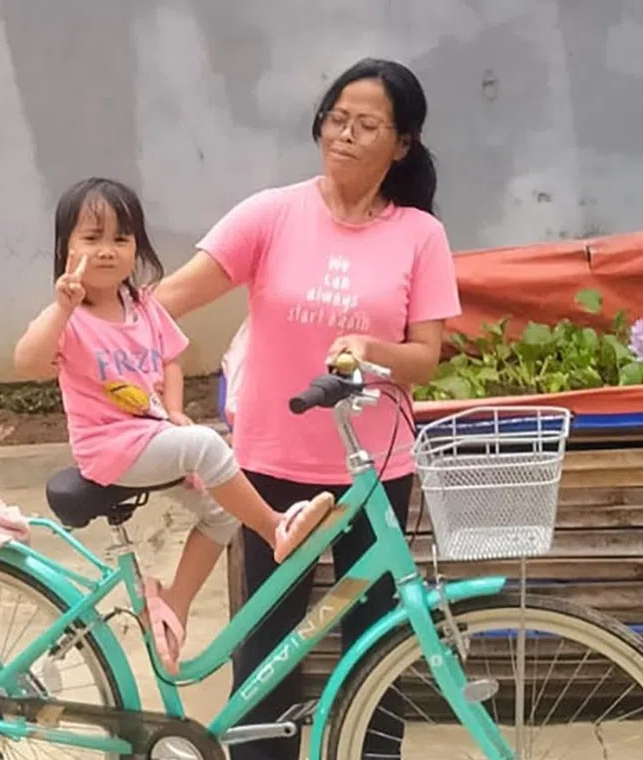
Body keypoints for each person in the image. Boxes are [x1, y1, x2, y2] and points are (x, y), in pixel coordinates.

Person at [153, 58, 462, 759]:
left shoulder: (419, 235)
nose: (345, 135)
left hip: (371, 472)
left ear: (402, 143)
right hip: (269, 464)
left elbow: (424, 357)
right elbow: (168, 302)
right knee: (267, 647)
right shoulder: (271, 214)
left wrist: (371, 347)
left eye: (367, 125)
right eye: (336, 119)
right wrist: (103, 336)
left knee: (375, 643)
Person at [12, 177, 333, 676]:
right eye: (91, 237)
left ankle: (172, 608)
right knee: (207, 446)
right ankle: (274, 528)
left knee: (222, 512)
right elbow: (27, 362)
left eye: (121, 238)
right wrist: (60, 307)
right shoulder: (70, 318)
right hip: (110, 451)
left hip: (153, 436)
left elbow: (172, 361)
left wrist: (175, 409)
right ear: (65, 248)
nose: (107, 250)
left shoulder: (141, 305)